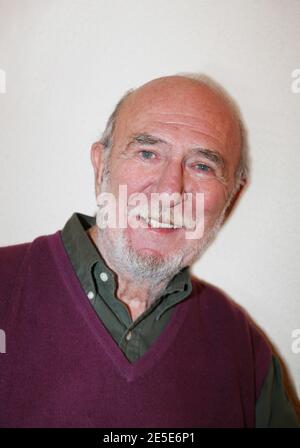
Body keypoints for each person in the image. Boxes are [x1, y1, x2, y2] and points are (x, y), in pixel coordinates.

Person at [0, 74, 299, 428]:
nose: (170, 191)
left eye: (202, 166)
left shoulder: (244, 351)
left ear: (231, 198)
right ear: (101, 167)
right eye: (147, 152)